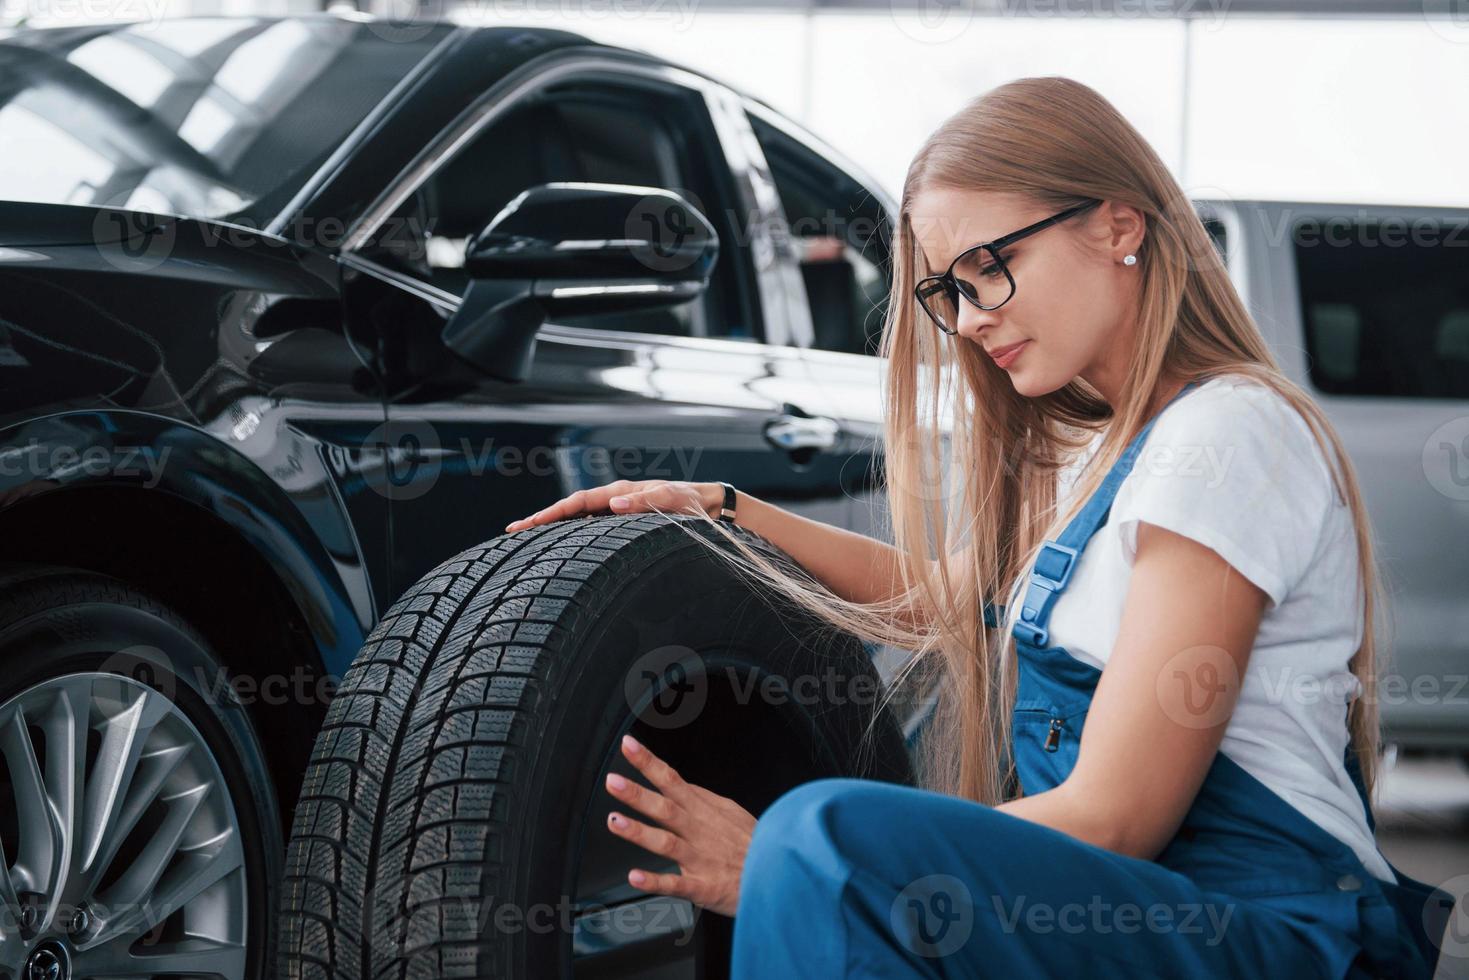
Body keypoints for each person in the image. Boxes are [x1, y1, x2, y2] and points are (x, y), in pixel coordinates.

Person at [503, 76, 1459, 977]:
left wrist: (797, 868)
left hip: (1262, 928)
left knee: (817, 836)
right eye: (946, 290)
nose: (963, 321)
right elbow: (949, 595)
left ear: (1118, 225)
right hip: (1143, 905)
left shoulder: (1226, 433)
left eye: (988, 268)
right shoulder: (1102, 453)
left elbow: (1120, 814)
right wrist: (722, 510)